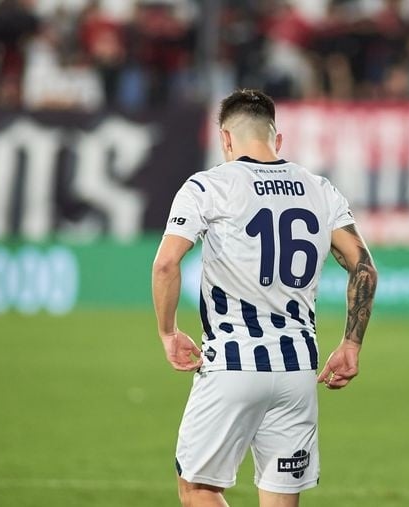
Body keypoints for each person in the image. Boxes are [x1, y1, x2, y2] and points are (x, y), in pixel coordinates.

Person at [152, 89, 378, 507]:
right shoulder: (320, 189)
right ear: (277, 139)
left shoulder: (208, 186)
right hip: (297, 371)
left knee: (198, 489)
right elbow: (364, 267)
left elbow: (166, 264)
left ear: (225, 139)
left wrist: (168, 333)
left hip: (233, 363)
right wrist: (351, 344)